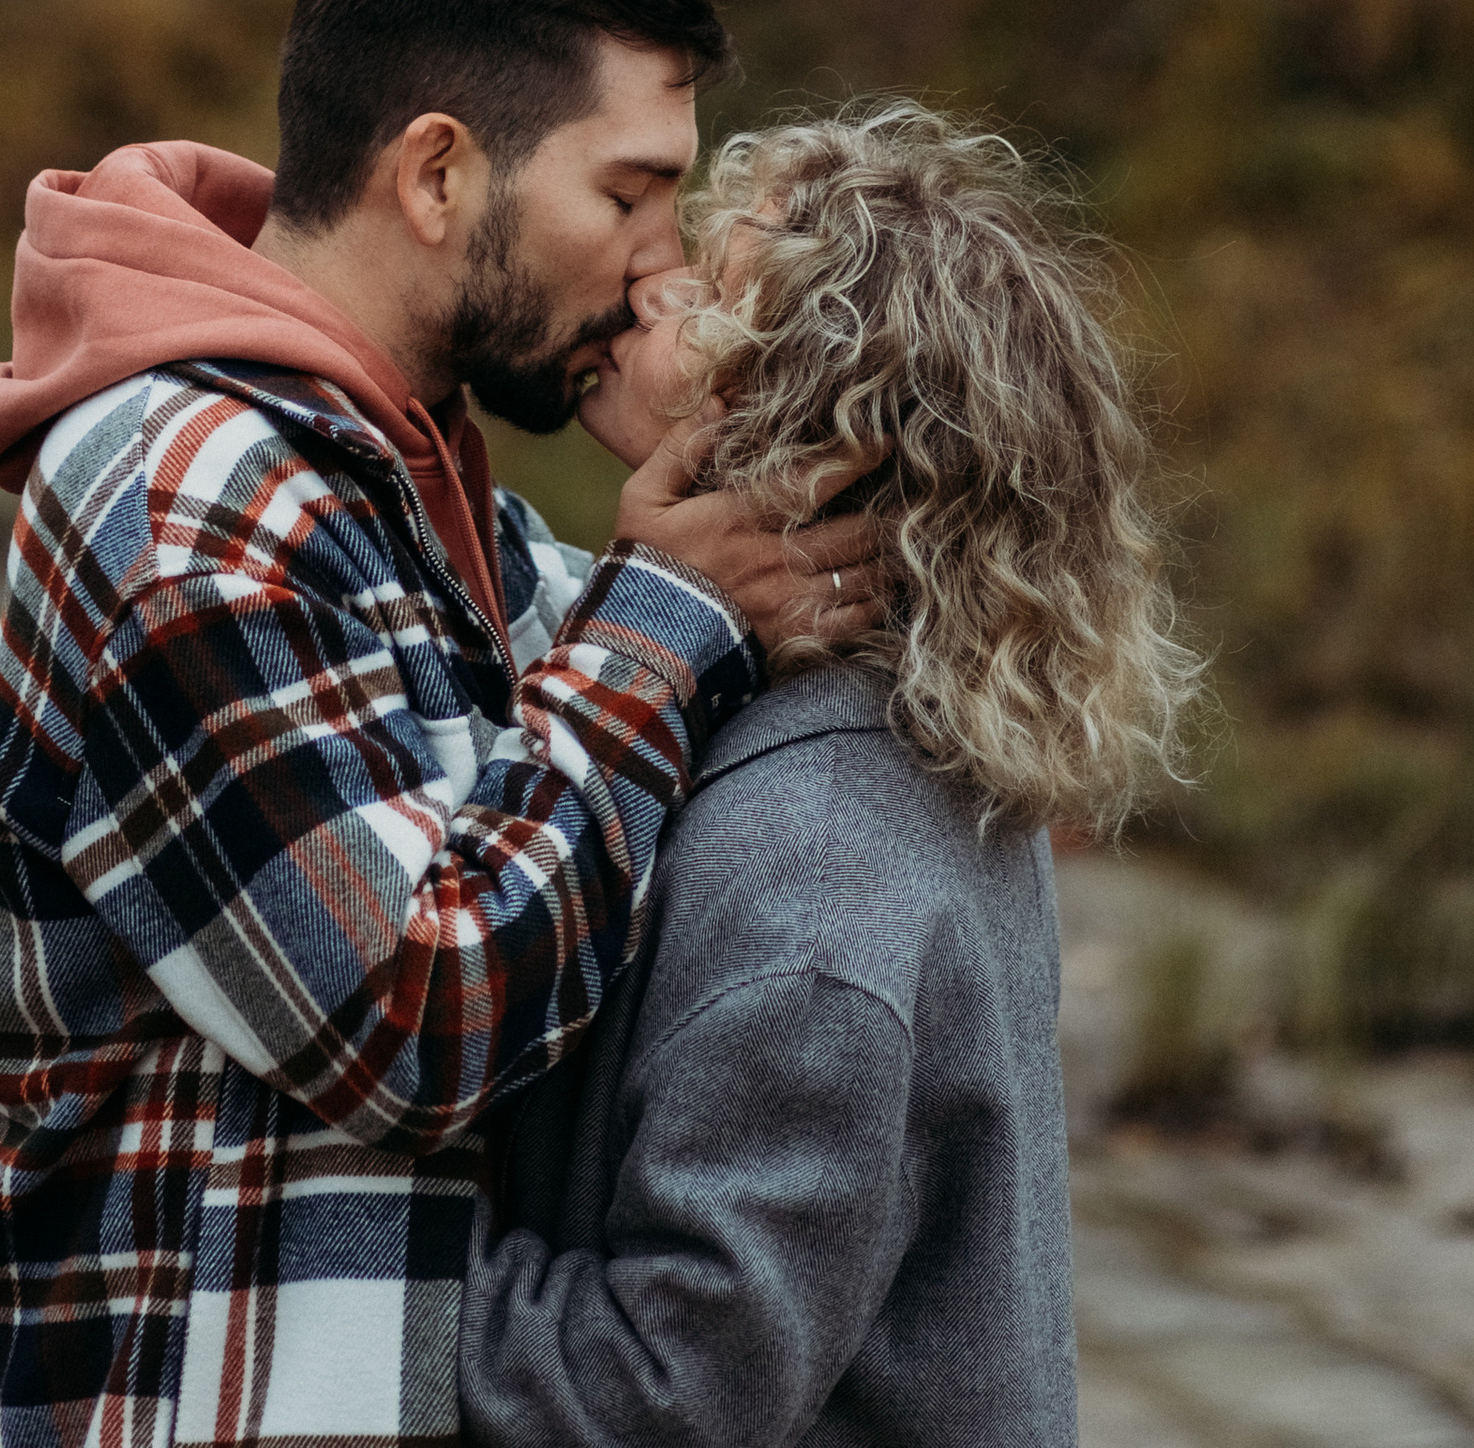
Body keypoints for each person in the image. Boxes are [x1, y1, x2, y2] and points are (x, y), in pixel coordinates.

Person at [0, 0, 879, 1448]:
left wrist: (741, 513)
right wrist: (677, 611)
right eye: (628, 196)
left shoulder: (400, 486)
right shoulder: (193, 507)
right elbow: (412, 1018)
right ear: (437, 174)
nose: (661, 265)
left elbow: (616, 739)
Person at [462, 101, 1204, 1448]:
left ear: (809, 433)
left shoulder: (810, 867)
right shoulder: (895, 744)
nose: (651, 281)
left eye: (711, 290)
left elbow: (665, 1393)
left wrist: (352, 1254)